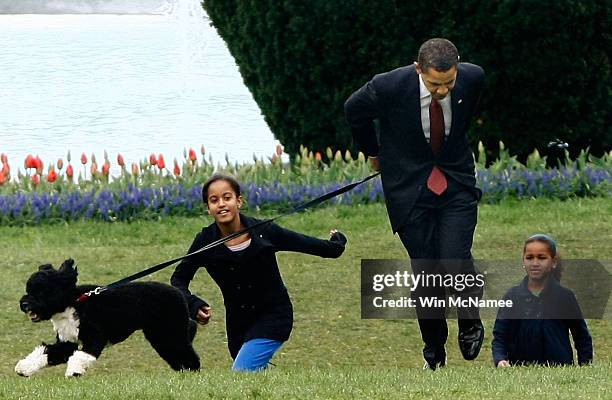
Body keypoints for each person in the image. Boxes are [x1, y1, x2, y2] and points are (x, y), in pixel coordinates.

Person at [344, 38, 485, 369]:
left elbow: (464, 117)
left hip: (457, 183)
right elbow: (353, 110)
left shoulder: (474, 77)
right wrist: (374, 152)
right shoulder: (388, 86)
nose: (442, 91)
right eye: (435, 84)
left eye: (449, 82)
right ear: (418, 69)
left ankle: (470, 321)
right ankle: (434, 349)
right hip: (409, 189)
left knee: (454, 258)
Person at [170, 173, 347, 371]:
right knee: (253, 377)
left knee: (242, 372)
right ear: (208, 209)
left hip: (274, 315)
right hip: (238, 323)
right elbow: (178, 279)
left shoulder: (265, 231)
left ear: (239, 201)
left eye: (227, 198)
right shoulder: (205, 241)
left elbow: (309, 245)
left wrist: (337, 242)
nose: (221, 204)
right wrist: (193, 305)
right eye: (214, 200)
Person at [492, 234, 593, 367]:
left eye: (541, 258)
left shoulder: (565, 297)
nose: (535, 263)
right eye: (529, 258)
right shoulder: (512, 296)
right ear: (523, 261)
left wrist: (585, 366)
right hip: (520, 371)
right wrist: (500, 360)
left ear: (554, 262)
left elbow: (581, 336)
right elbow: (500, 336)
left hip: (560, 370)